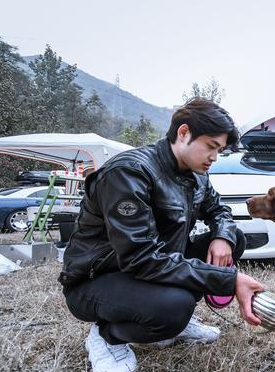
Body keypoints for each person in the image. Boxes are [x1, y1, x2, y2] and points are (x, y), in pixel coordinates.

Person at [59, 98, 264, 372]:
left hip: (152, 268)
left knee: (234, 239)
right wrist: (230, 279)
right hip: (98, 278)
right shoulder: (129, 173)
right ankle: (108, 337)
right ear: (183, 133)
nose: (214, 157)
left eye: (220, 150)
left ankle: (174, 322)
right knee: (173, 309)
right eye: (211, 147)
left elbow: (219, 210)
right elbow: (140, 258)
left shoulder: (196, 175)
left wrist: (223, 237)